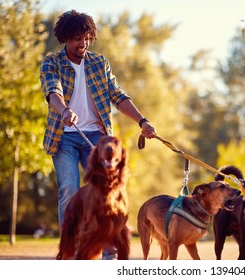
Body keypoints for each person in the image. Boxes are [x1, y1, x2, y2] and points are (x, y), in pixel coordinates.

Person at [39, 10, 156, 259]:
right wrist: (64, 110)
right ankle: (69, 251)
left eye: (86, 38)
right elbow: (53, 92)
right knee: (69, 189)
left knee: (106, 192)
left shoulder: (98, 63)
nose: (82, 43)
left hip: (96, 138)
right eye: (76, 39)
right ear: (65, 39)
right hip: (65, 136)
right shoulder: (52, 62)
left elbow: (117, 95)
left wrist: (142, 121)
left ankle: (109, 253)